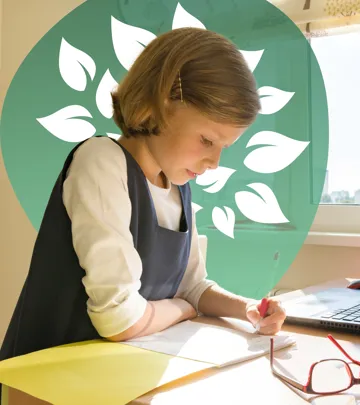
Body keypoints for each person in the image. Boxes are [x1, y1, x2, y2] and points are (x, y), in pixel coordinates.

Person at [0, 27, 286, 369]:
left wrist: (248, 309)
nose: (214, 163)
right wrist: (183, 309)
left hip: (122, 374)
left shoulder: (178, 186)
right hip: (49, 381)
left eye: (224, 148)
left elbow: (192, 287)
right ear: (159, 105)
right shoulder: (101, 161)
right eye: (207, 140)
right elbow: (119, 319)